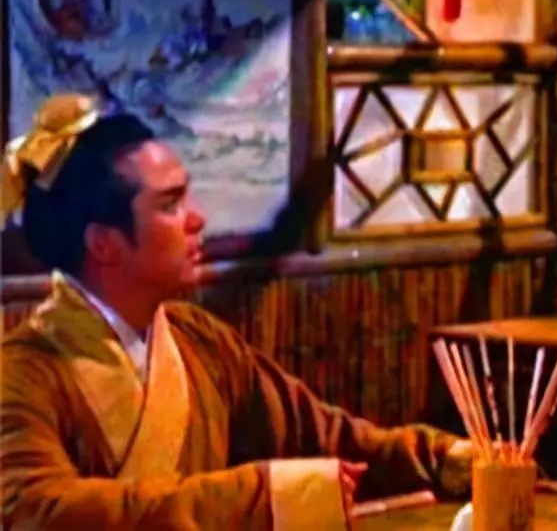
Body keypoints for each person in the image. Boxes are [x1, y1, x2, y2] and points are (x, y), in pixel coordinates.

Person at [0, 94, 471, 529]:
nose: (198, 219)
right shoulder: (22, 373)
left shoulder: (198, 338)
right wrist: (255, 496)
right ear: (104, 243)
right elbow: (36, 510)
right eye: (170, 204)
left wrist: (442, 457)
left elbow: (323, 436)